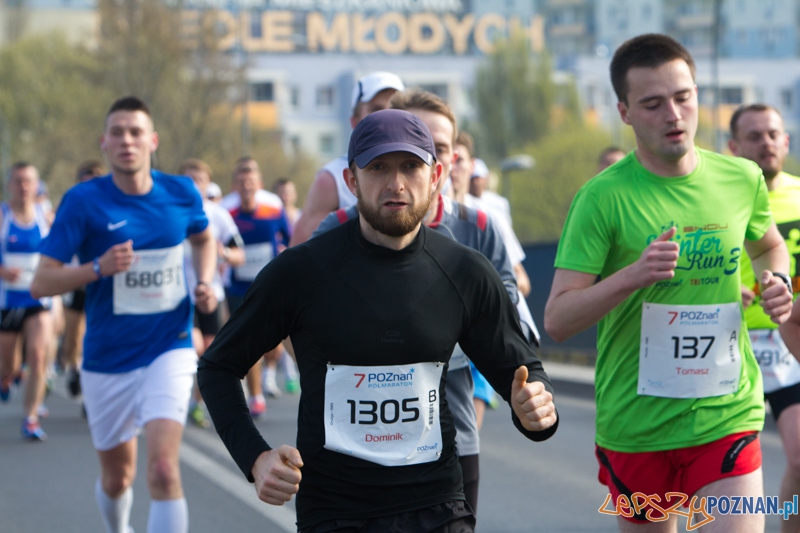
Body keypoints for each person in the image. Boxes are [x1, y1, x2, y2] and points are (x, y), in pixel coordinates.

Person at [198, 108, 558, 532]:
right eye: (378, 168)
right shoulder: (300, 272)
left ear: (436, 174)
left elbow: (521, 370)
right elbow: (217, 367)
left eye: (410, 166)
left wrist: (535, 408)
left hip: (438, 507)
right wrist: (255, 458)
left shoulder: (465, 272)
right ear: (352, 181)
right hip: (336, 514)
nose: (396, 184)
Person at [545, 34, 792, 532]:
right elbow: (557, 319)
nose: (673, 114)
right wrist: (634, 275)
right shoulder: (601, 199)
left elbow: (767, 244)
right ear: (625, 112)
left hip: (726, 414)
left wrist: (777, 277)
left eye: (683, 97)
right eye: (653, 104)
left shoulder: (740, 178)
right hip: (637, 426)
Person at [313, 91, 527, 515]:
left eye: (436, 147)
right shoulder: (337, 228)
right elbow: (303, 318)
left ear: (444, 162)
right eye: (410, 144)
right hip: (356, 441)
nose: (418, 154)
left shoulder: (479, 226)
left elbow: (506, 309)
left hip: (453, 435)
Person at [31, 96, 218, 533]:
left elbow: (204, 239)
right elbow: (41, 282)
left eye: (136, 132)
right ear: (104, 144)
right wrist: (98, 267)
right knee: (118, 479)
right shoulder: (83, 202)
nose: (127, 141)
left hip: (169, 345)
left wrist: (204, 280)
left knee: (164, 472)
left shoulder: (180, 192)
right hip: (107, 355)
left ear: (152, 141)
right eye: (117, 132)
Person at [730, 104, 800, 533]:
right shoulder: (723, 198)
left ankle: (789, 525)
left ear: (786, 141)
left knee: (799, 459)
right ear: (735, 146)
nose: (766, 143)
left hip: (790, 341)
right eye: (754, 136)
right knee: (728, 467)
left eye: (773, 134)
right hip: (733, 345)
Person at [289, 71, 404, 246]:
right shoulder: (331, 180)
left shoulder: (426, 170)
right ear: (354, 121)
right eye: (376, 109)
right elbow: (297, 258)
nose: (386, 117)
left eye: (395, 108)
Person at [178, 158, 245, 428]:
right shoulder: (171, 212)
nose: (194, 185)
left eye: (199, 180)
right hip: (178, 296)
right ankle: (178, 400)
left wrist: (225, 253)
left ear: (208, 184)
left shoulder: (217, 215)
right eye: (188, 180)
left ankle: (196, 404)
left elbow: (240, 254)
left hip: (210, 294)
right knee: (193, 348)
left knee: (208, 354)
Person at [226, 158, 290, 415]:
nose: (246, 188)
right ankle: (255, 397)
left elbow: (290, 237)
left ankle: (269, 371)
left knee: (274, 346)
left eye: (250, 183)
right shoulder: (227, 212)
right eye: (241, 183)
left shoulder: (273, 209)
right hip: (238, 288)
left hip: (269, 285)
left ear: (259, 185)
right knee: (249, 341)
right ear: (234, 186)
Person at [0, 162, 53, 440]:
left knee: (38, 354)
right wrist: (2, 271)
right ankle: (7, 375)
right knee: (8, 363)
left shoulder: (45, 215)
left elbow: (61, 250)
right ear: (9, 185)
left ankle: (31, 417)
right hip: (7, 302)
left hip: (38, 300)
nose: (23, 187)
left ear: (36, 185)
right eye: (18, 181)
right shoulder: (2, 215)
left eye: (28, 181)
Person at [62, 160, 106, 400]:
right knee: (72, 338)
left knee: (94, 334)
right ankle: (73, 369)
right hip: (76, 281)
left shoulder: (109, 208)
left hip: (102, 283)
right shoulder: (71, 206)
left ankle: (90, 387)